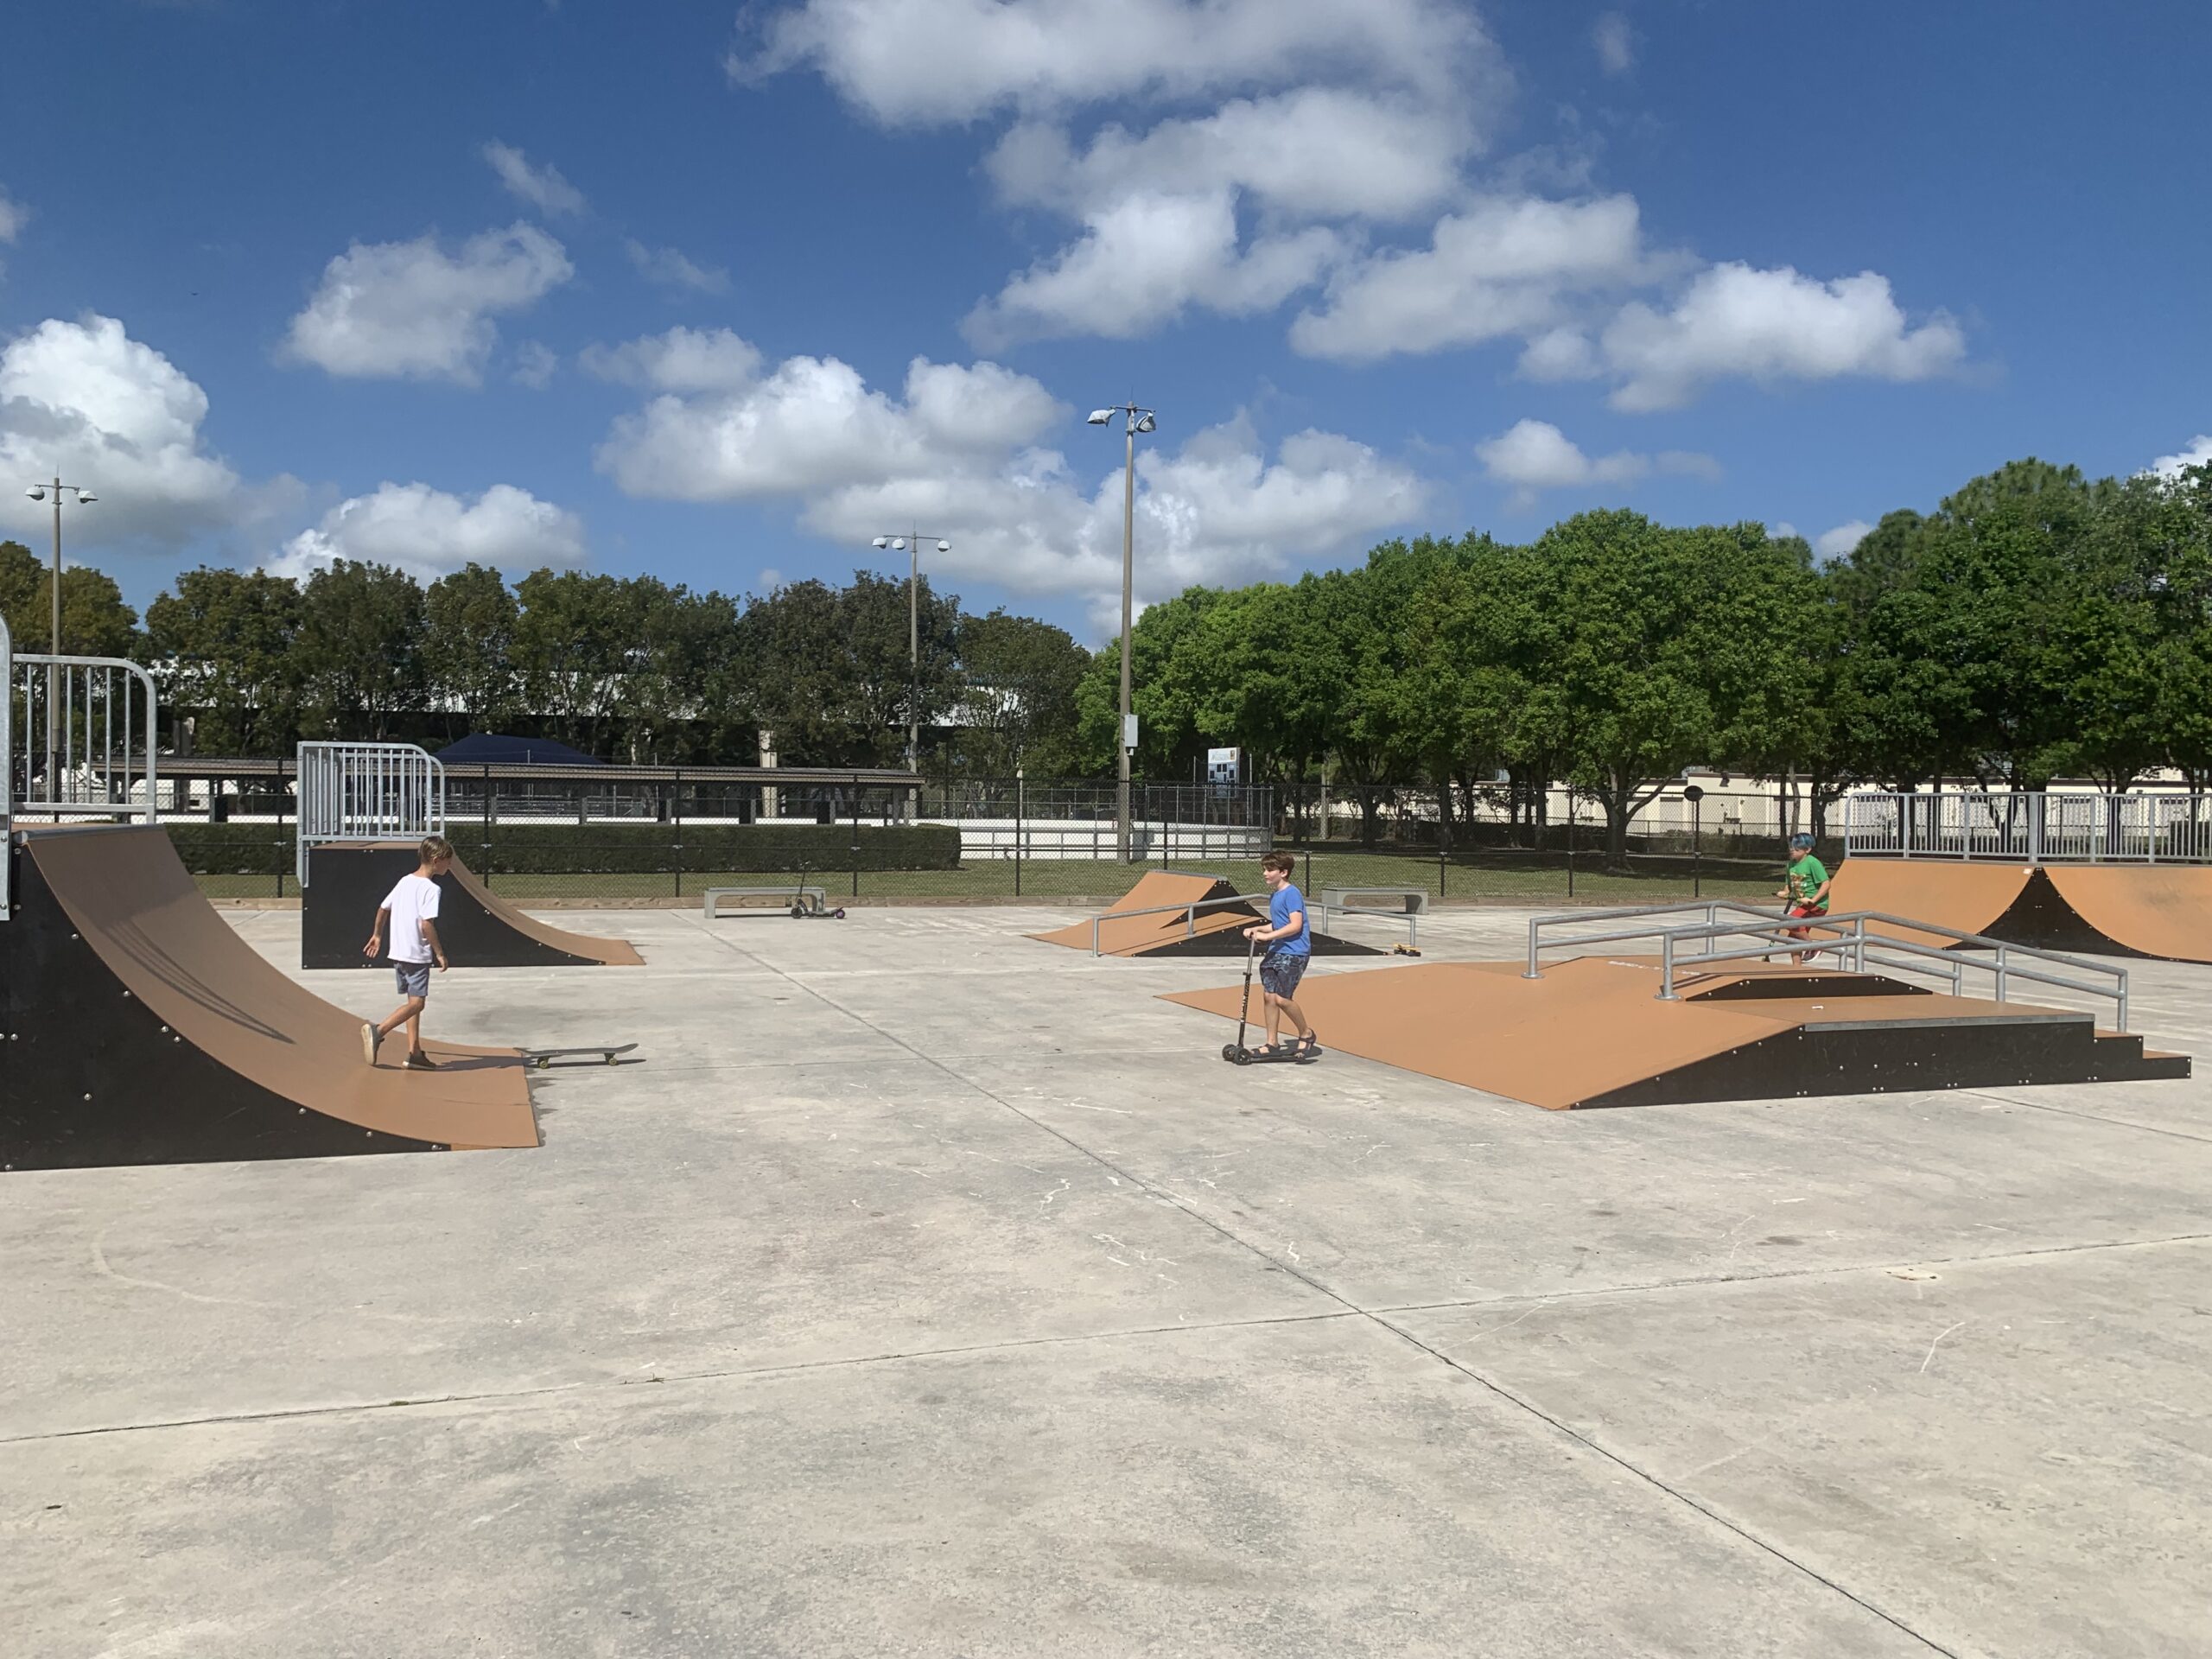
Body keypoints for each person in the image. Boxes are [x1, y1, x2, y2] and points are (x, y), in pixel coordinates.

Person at [361, 836, 453, 1069]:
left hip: (398, 953)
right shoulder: (431, 889)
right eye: (448, 861)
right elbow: (426, 924)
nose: (450, 865)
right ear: (436, 860)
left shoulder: (404, 881)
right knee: (418, 1004)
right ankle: (378, 1031)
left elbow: (383, 908)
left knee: (412, 1001)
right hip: (416, 954)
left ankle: (415, 1053)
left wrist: (377, 935)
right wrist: (440, 953)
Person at [1243, 852, 1319, 1059]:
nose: (1265, 874)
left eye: (1270, 870)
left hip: (1294, 952)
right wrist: (1257, 929)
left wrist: (1267, 937)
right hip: (1276, 951)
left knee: (1283, 999)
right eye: (1264, 869)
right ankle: (1272, 1043)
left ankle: (1306, 1033)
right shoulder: (1275, 895)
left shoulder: (1292, 893)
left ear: (1283, 872)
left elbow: (1295, 926)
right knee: (1269, 996)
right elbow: (1278, 925)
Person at [1777, 830, 1833, 966]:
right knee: (1793, 939)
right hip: (1803, 904)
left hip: (1817, 904)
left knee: (1790, 922)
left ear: (1807, 850)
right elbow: (1789, 885)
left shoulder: (1812, 863)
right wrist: (1785, 892)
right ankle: (1797, 968)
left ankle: (1813, 947)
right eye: (1792, 848)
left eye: (1797, 849)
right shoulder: (1791, 865)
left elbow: (1826, 884)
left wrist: (1813, 899)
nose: (1792, 851)